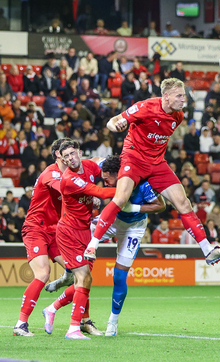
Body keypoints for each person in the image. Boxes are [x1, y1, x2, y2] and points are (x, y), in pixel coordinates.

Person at [85, 78, 220, 266]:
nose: (183, 99)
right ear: (166, 96)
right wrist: (116, 126)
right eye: (179, 96)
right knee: (120, 198)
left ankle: (208, 250)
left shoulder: (178, 116)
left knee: (184, 203)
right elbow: (112, 122)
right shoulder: (145, 107)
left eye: (184, 95)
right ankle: (93, 245)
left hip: (157, 163)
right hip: (134, 158)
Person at [95, 155, 165, 336]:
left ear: (118, 175)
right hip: (113, 219)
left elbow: (161, 205)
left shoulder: (142, 183)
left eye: (106, 179)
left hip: (134, 227)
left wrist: (134, 208)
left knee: (119, 276)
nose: (105, 182)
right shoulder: (109, 167)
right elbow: (95, 159)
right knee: (79, 235)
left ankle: (113, 321)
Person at [53, 140, 117, 340]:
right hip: (69, 232)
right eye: (66, 157)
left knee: (85, 278)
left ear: (79, 152)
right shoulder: (69, 179)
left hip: (84, 230)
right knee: (84, 278)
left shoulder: (88, 165)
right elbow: (99, 192)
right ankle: (73, 328)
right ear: (63, 160)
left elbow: (104, 171)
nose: (71, 158)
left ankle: (57, 311)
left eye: (73, 153)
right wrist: (126, 190)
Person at [13, 139, 77, 336]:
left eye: (74, 152)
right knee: (43, 273)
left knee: (82, 275)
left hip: (56, 232)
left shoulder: (72, 174)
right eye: (67, 153)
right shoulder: (51, 173)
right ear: (58, 154)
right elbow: (65, 189)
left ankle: (57, 307)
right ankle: (20, 325)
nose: (71, 156)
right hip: (36, 229)